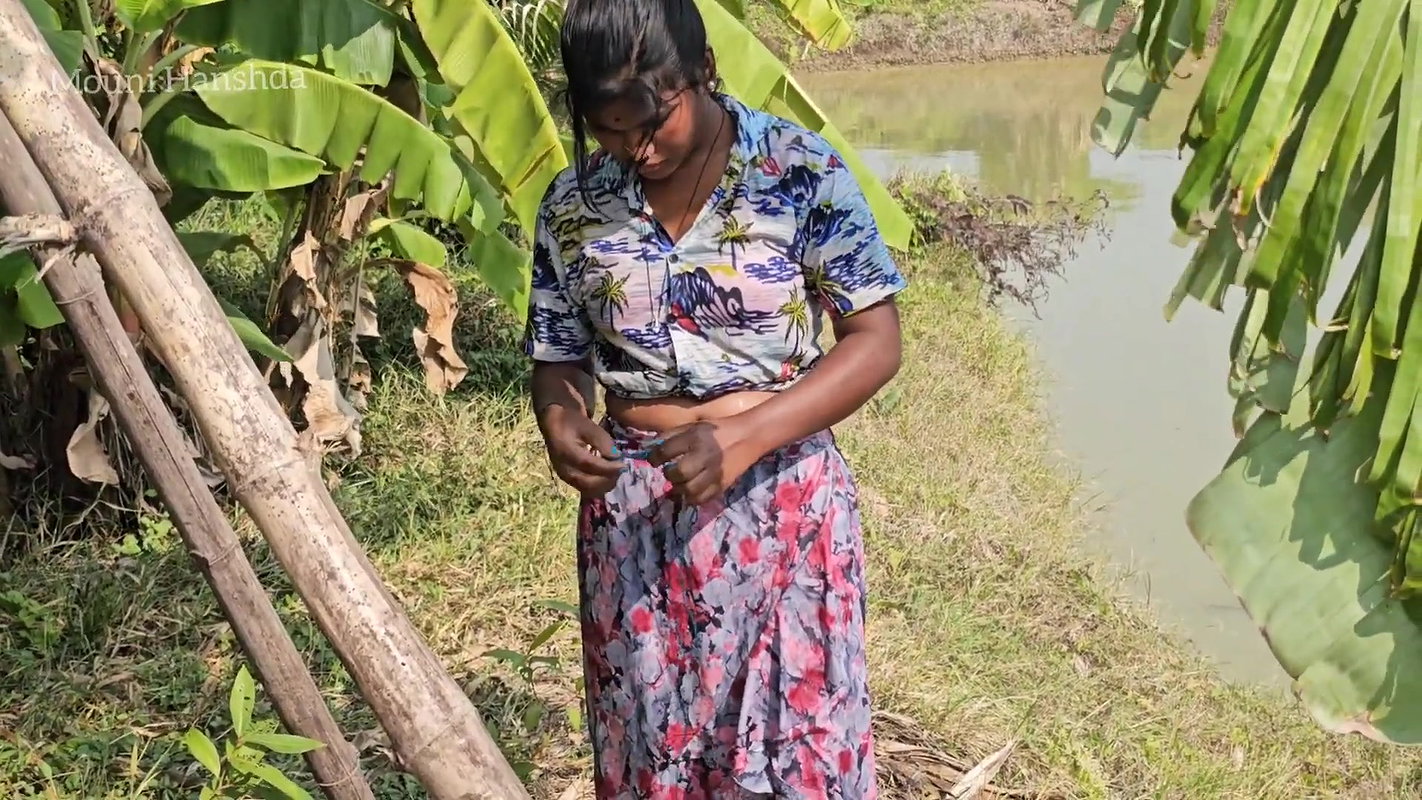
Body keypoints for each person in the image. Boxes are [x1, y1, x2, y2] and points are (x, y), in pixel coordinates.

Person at [522, 0, 908, 795]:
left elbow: (876, 340)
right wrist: (559, 414)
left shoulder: (797, 171)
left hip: (784, 507)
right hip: (635, 528)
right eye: (610, 130)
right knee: (655, 755)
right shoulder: (572, 203)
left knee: (794, 760)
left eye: (652, 123)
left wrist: (745, 439)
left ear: (703, 72)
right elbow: (559, 354)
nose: (637, 150)